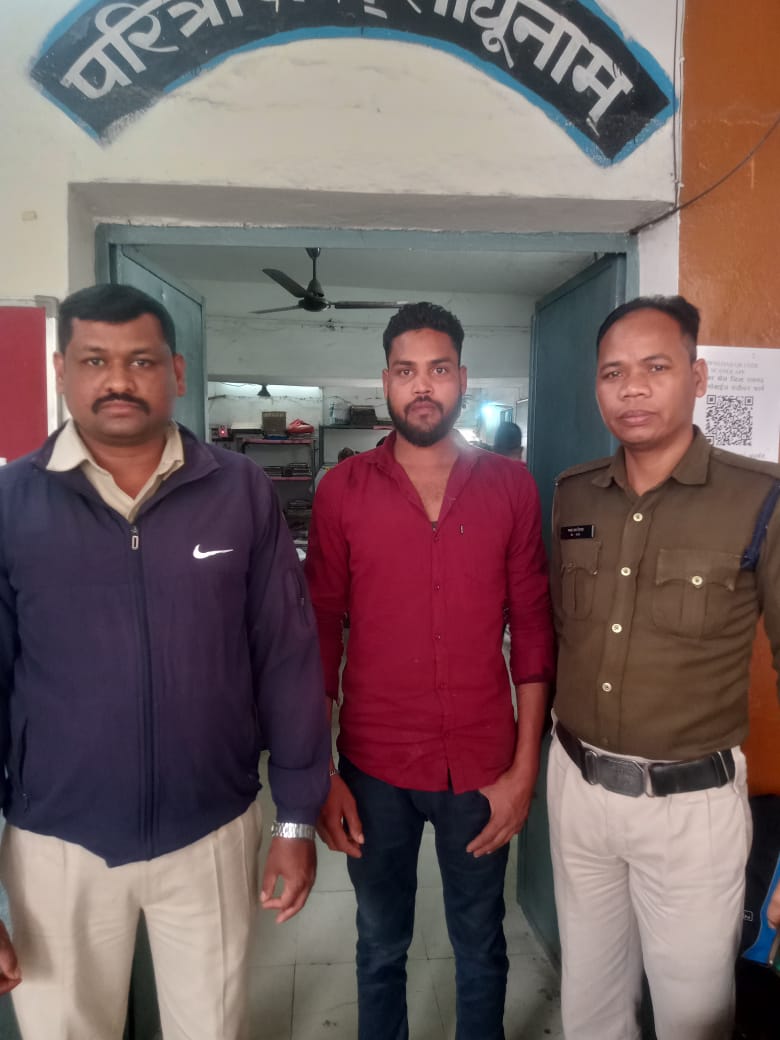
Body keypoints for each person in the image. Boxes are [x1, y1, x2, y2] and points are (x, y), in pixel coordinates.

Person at [0, 284, 330, 1039]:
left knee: (211, 1026)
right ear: (61, 370)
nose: (118, 379)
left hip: (210, 829)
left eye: (141, 360)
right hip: (57, 840)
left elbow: (286, 656)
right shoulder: (12, 503)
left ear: (176, 372)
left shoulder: (239, 490)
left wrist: (296, 821)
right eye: (95, 360)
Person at [305, 301, 555, 1040]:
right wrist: (320, 772)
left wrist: (524, 771)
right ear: (385, 380)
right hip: (372, 768)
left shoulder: (511, 487)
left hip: (481, 767)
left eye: (438, 370)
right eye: (406, 371)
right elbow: (318, 636)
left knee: (481, 943)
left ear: (462, 379)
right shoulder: (342, 490)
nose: (422, 386)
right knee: (380, 943)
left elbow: (533, 630)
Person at [547, 295, 780, 1040]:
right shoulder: (574, 494)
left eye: (656, 367)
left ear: (697, 377)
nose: (633, 389)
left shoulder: (759, 499)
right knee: (590, 1005)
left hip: (690, 810)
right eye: (613, 372)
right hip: (577, 788)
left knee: (693, 1015)